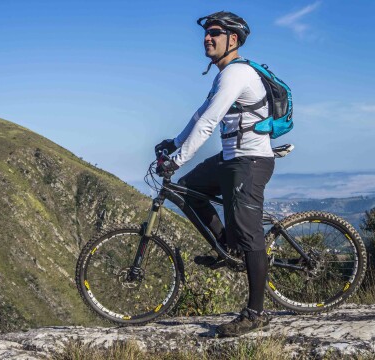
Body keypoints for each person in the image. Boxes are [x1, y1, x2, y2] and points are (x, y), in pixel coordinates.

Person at [154, 11, 275, 337]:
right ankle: (228, 246)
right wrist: (174, 142)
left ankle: (255, 313)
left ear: (232, 40)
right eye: (206, 33)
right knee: (187, 191)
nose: (207, 38)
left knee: (250, 234)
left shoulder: (236, 74)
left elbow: (209, 123)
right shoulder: (223, 75)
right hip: (231, 158)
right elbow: (200, 115)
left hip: (250, 161)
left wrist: (176, 159)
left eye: (215, 33)